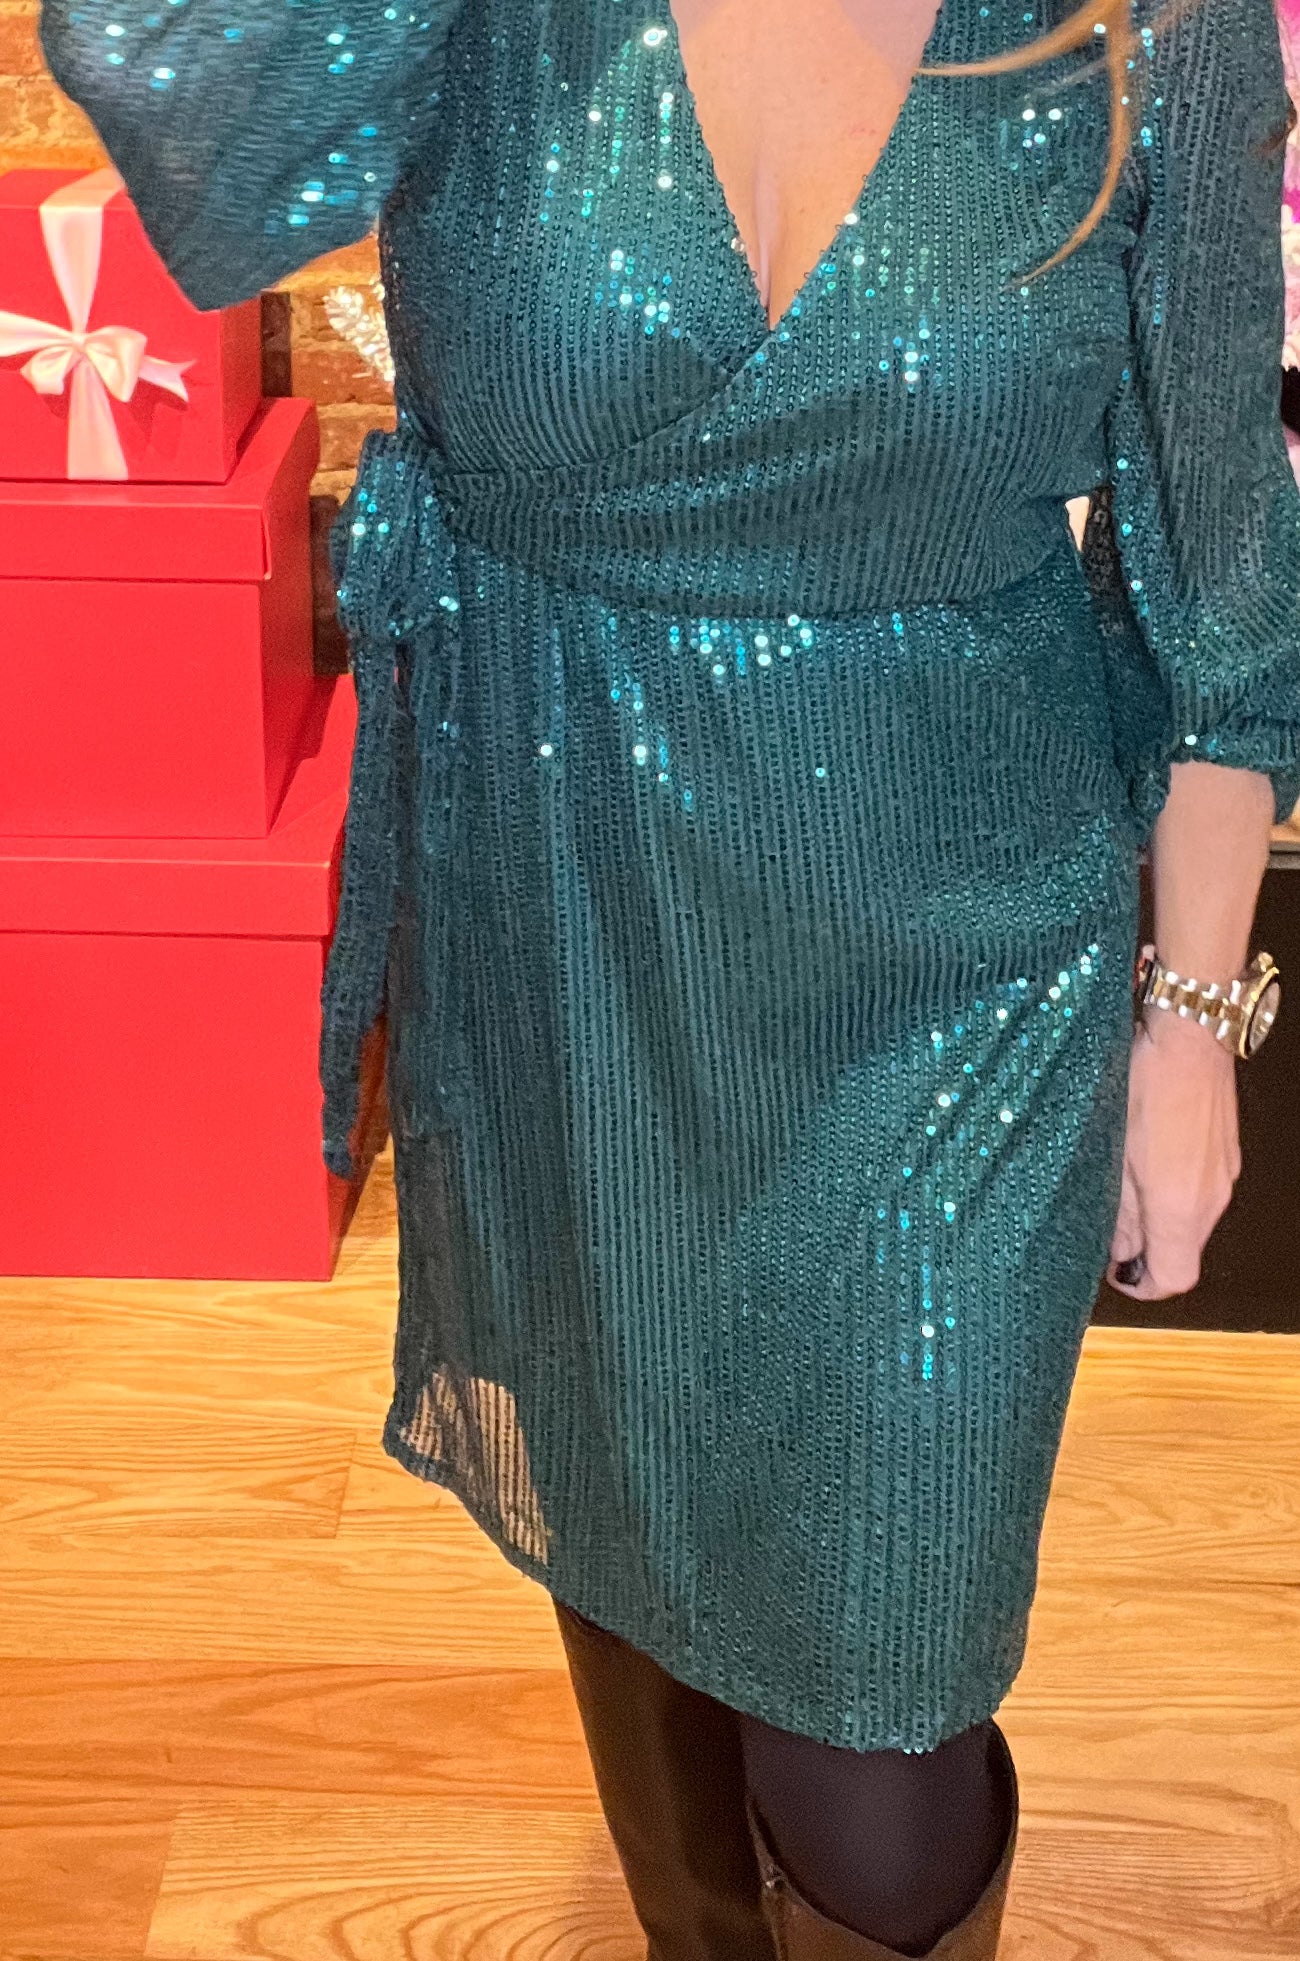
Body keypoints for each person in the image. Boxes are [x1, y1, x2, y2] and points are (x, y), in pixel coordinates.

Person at [37, 0, 1300, 1953]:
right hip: (558, 902)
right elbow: (199, 116)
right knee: (627, 1534)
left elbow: (1224, 564)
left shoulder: (1155, 23)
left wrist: (1196, 1020)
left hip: (954, 961)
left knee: (879, 1680)